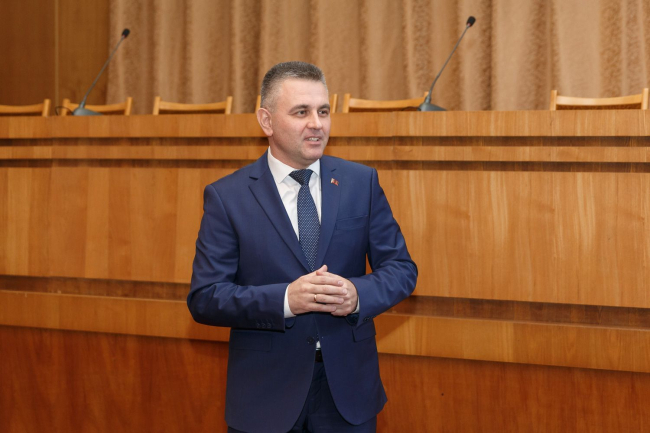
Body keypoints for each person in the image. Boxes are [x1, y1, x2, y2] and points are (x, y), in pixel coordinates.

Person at [188, 61, 417, 433]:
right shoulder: (227, 197)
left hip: (348, 392)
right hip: (265, 395)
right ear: (266, 121)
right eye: (301, 112)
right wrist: (285, 300)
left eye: (323, 111)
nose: (317, 124)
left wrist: (357, 295)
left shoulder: (361, 182)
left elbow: (402, 269)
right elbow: (206, 297)